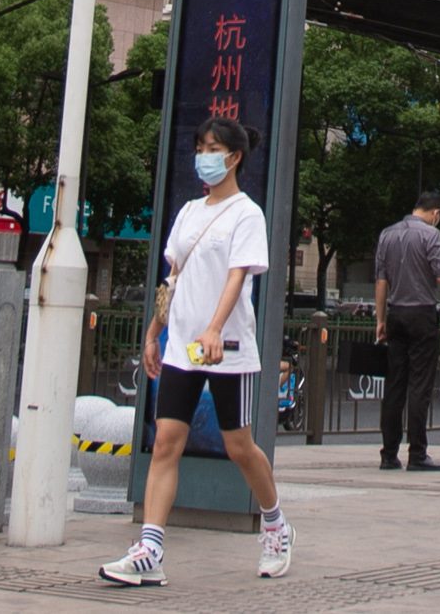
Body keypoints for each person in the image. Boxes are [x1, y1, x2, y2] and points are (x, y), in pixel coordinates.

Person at [101, 117, 290, 588]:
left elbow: (237, 276)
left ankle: (275, 524)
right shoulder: (187, 212)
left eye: (215, 147)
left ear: (235, 156)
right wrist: (153, 333)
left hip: (228, 349)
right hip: (182, 347)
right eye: (201, 145)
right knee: (166, 442)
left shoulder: (248, 213)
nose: (205, 155)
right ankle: (150, 549)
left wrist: (213, 328)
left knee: (238, 446)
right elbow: (174, 278)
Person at [370, 187, 440, 471]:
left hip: (395, 313)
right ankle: (417, 453)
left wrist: (380, 319)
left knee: (394, 385)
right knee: (419, 386)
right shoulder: (431, 235)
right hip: (422, 313)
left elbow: (381, 281)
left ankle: (388, 454)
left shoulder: (387, 234)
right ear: (436, 213)